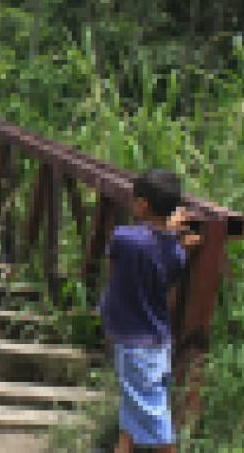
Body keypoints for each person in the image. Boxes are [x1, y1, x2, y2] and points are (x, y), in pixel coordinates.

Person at [98, 170, 202, 453]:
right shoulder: (177, 253)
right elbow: (162, 256)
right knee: (134, 410)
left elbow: (124, 253)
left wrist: (167, 232)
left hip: (135, 346)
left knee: (155, 419)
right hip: (156, 340)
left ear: (143, 204)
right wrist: (171, 236)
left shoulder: (124, 238)